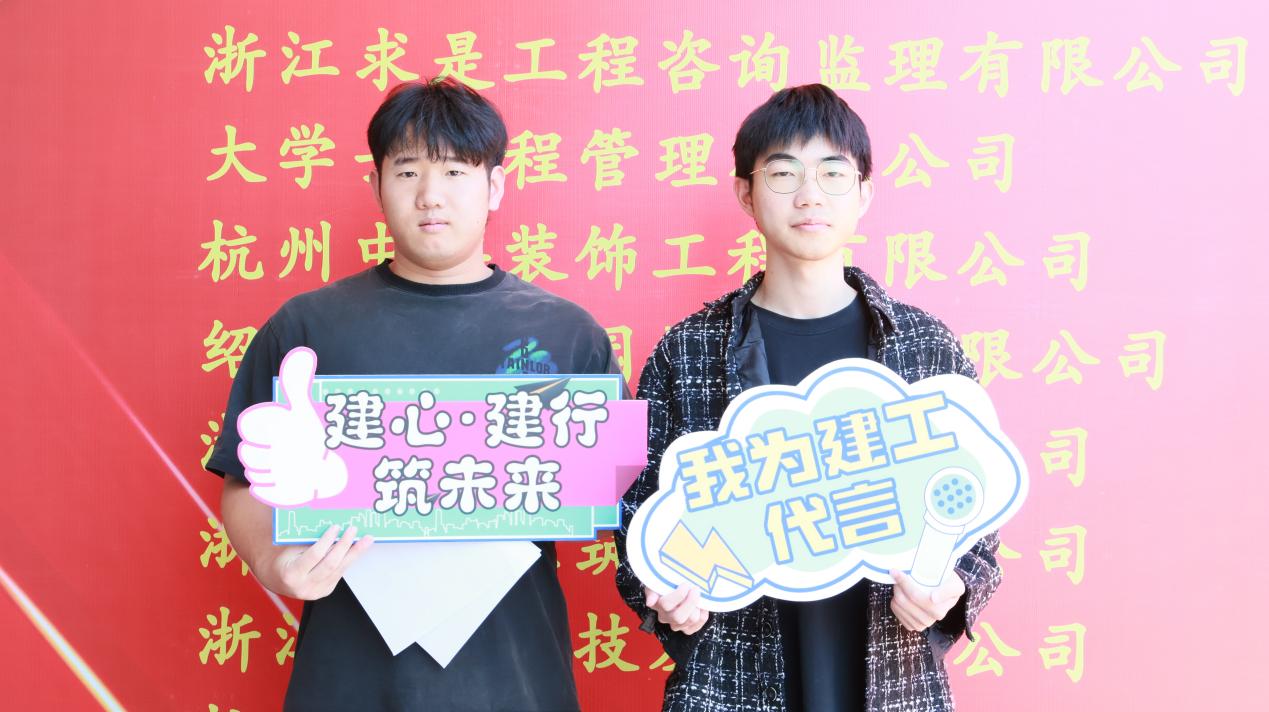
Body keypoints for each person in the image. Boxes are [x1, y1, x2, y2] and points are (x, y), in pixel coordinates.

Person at [206, 78, 616, 712]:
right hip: (348, 682)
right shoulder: (307, 329)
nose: (430, 195)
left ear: (495, 186)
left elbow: (618, 493)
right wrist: (272, 562)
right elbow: (242, 480)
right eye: (406, 172)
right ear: (376, 185)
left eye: (455, 171)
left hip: (516, 681)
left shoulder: (567, 334)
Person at [614, 84, 1002, 712]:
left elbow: (978, 515)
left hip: (891, 676)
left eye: (833, 173)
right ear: (746, 193)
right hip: (731, 681)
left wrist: (950, 589)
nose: (810, 195)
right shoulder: (688, 351)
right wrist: (663, 592)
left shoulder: (925, 348)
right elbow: (638, 508)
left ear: (864, 193)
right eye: (783, 172)